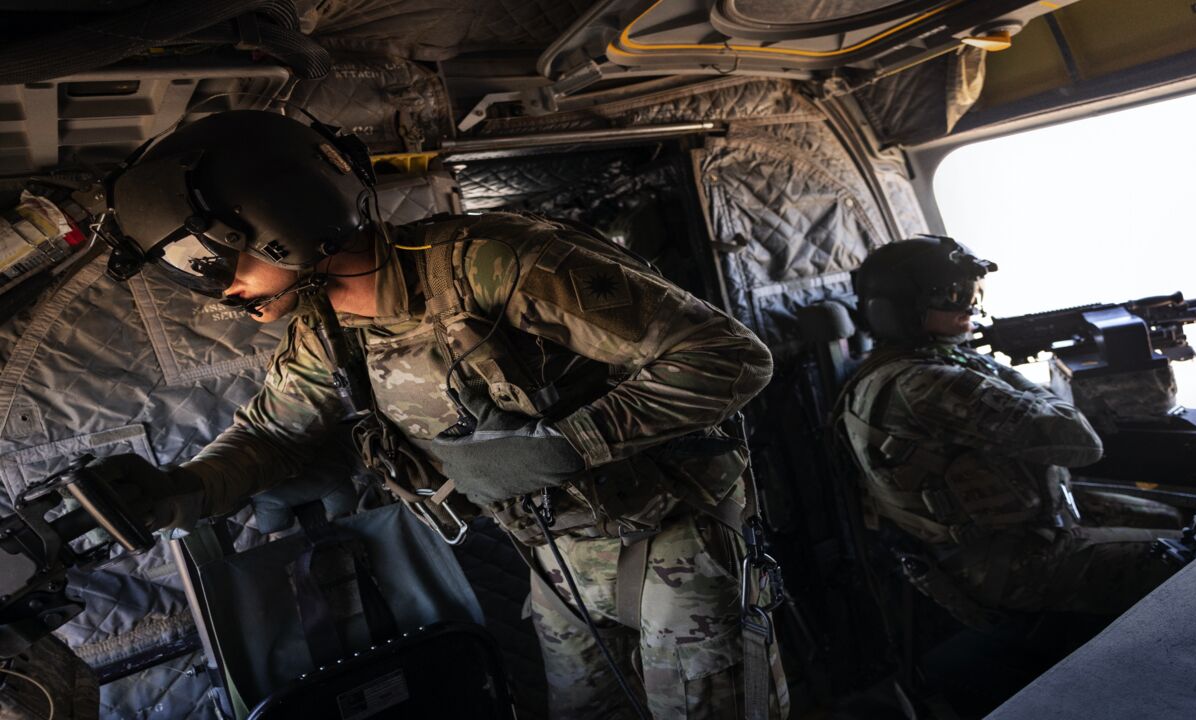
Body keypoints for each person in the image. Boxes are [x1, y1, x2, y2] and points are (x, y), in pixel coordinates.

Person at [100, 110, 788, 719]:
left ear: (282, 218)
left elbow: (726, 356)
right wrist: (180, 490)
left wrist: (572, 444)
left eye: (208, 258)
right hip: (557, 553)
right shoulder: (322, 329)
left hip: (672, 535)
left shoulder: (495, 261)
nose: (214, 286)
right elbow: (274, 434)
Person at [834, 235, 1177, 619]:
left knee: (1173, 519)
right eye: (952, 295)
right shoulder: (927, 384)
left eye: (971, 291)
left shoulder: (905, 366)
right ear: (900, 311)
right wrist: (999, 370)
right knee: (1189, 554)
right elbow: (1078, 442)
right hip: (1011, 565)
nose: (968, 306)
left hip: (1019, 532)